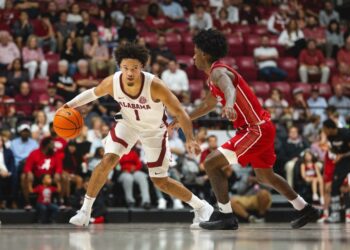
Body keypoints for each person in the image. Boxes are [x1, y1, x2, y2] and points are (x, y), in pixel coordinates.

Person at [174, 29, 319, 230]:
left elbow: (229, 89)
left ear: (205, 54)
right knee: (265, 176)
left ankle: (225, 216)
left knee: (211, 163)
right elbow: (207, 105)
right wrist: (183, 119)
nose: (193, 56)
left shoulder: (218, 71)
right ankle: (305, 208)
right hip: (262, 127)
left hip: (255, 129)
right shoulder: (212, 77)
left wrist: (230, 104)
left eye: (196, 51)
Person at [67, 43, 213, 227]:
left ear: (142, 67)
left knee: (160, 181)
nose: (129, 72)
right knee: (108, 159)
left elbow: (180, 113)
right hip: (127, 124)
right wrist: (68, 106)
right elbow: (92, 93)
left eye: (134, 68)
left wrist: (190, 139)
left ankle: (201, 206)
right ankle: (85, 211)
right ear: (120, 66)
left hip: (154, 131)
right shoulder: (113, 81)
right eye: (125, 67)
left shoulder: (156, 86)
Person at [322, 119, 350, 222]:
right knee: (334, 186)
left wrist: (342, 155)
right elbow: (334, 149)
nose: (323, 131)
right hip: (341, 162)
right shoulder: (330, 137)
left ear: (330, 128)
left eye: (324, 129)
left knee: (347, 187)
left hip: (348, 158)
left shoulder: (346, 133)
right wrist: (332, 151)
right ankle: (335, 214)